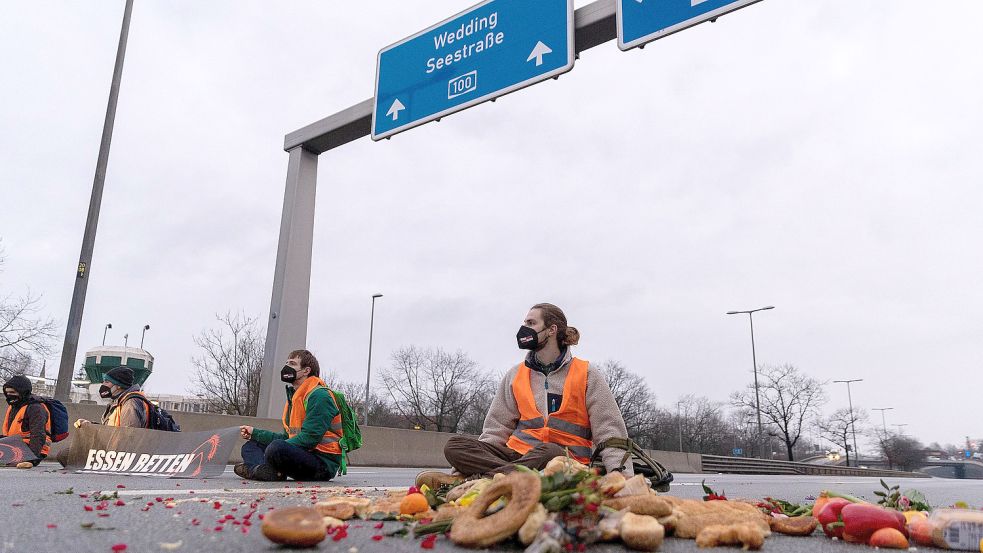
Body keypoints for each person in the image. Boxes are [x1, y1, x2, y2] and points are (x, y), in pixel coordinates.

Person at [417, 303, 633, 489]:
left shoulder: (586, 374)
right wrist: (460, 466)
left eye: (531, 323)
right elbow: (495, 430)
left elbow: (610, 430)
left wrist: (622, 476)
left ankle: (480, 481)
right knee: (454, 446)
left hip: (563, 461)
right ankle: (496, 478)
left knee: (549, 452)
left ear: (551, 330)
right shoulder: (515, 375)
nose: (524, 328)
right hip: (517, 456)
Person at [236, 349, 343, 482]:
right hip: (301, 454)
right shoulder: (294, 398)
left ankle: (255, 469)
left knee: (276, 448)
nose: (286, 367)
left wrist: (273, 448)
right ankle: (265, 471)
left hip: (322, 463)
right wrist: (255, 433)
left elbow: (309, 439)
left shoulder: (320, 396)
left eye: (292, 363)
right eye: (286, 363)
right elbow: (288, 437)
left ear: (306, 370)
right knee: (251, 446)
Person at [73, 366, 150, 429]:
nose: (103, 384)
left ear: (118, 386)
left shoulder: (130, 403)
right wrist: (89, 425)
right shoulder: (118, 402)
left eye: (107, 382)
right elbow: (110, 431)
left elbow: (129, 436)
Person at [2, 375, 50, 468]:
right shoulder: (14, 406)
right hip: (14, 445)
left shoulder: (35, 408)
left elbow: (38, 434)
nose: (9, 395)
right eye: (7, 393)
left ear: (23, 392)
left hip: (31, 450)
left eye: (12, 392)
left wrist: (31, 460)